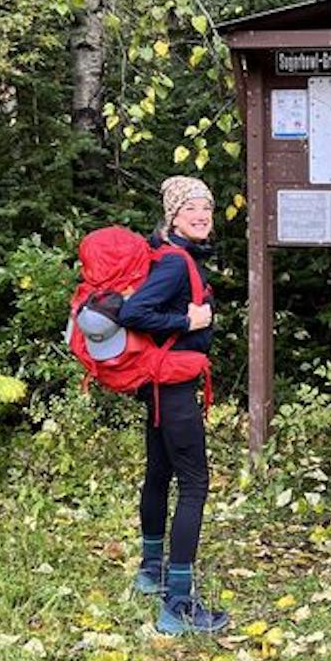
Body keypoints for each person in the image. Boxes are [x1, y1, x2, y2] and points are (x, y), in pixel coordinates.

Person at [116, 175, 230, 635]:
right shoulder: (175, 263)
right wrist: (188, 318)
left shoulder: (169, 254)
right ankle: (178, 604)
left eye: (207, 207)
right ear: (173, 215)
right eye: (191, 209)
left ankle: (150, 571)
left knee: (160, 474)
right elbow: (132, 313)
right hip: (174, 390)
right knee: (195, 484)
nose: (202, 215)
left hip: (162, 387)